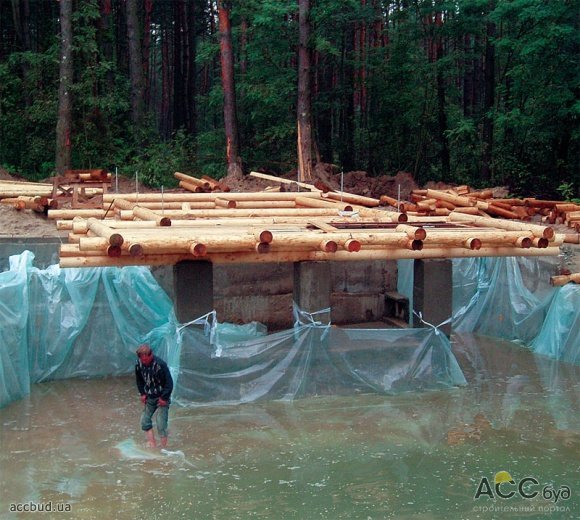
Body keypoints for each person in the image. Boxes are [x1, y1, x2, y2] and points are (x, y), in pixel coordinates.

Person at [135, 344, 174, 448]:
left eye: (146, 360)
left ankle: (164, 448)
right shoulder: (138, 364)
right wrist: (142, 393)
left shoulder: (160, 365)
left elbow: (169, 383)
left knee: (161, 423)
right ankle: (152, 443)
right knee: (144, 421)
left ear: (151, 355)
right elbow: (139, 380)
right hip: (149, 396)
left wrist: (164, 398)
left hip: (162, 397)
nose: (144, 362)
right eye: (142, 360)